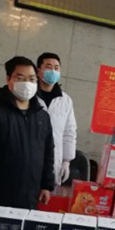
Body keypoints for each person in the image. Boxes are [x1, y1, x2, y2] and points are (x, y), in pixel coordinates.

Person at [0, 56, 55, 209]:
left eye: (32, 79)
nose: (27, 83)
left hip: (30, 193)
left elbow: (48, 152)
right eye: (20, 78)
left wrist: (46, 185)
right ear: (8, 79)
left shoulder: (42, 116)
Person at [36, 52, 77, 186]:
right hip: (30, 155)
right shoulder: (30, 96)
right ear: (38, 71)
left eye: (56, 68)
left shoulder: (65, 100)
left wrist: (66, 161)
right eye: (48, 67)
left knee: (47, 192)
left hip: (54, 158)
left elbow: (69, 132)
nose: (53, 71)